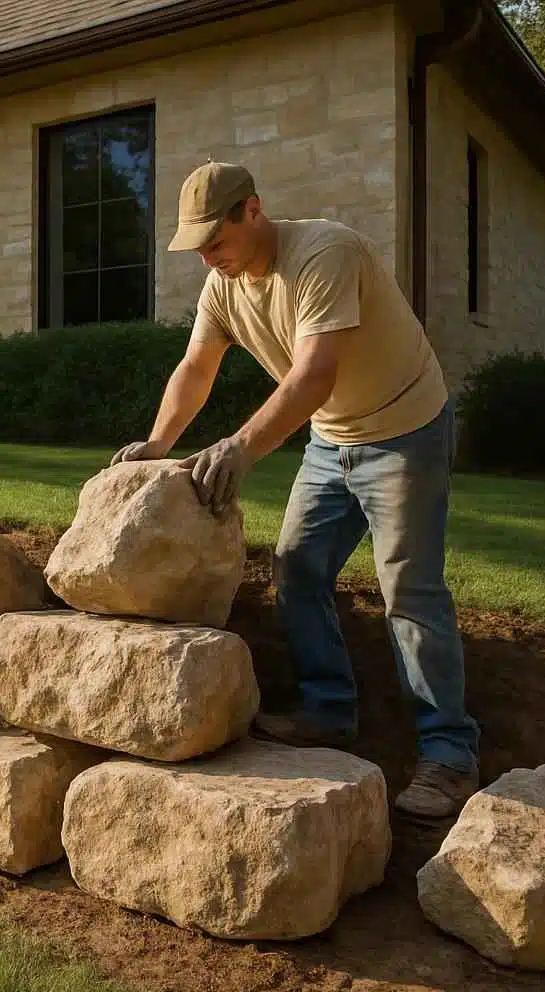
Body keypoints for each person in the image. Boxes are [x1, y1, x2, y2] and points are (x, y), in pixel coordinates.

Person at [114, 160, 480, 819]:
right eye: (196, 249)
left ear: (252, 211)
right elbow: (196, 367)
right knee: (297, 568)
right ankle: (329, 710)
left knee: (410, 590)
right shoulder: (224, 285)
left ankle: (449, 756)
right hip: (331, 440)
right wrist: (159, 444)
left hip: (405, 431)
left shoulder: (325, 253)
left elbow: (314, 373)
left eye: (215, 243)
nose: (207, 260)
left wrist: (241, 447)